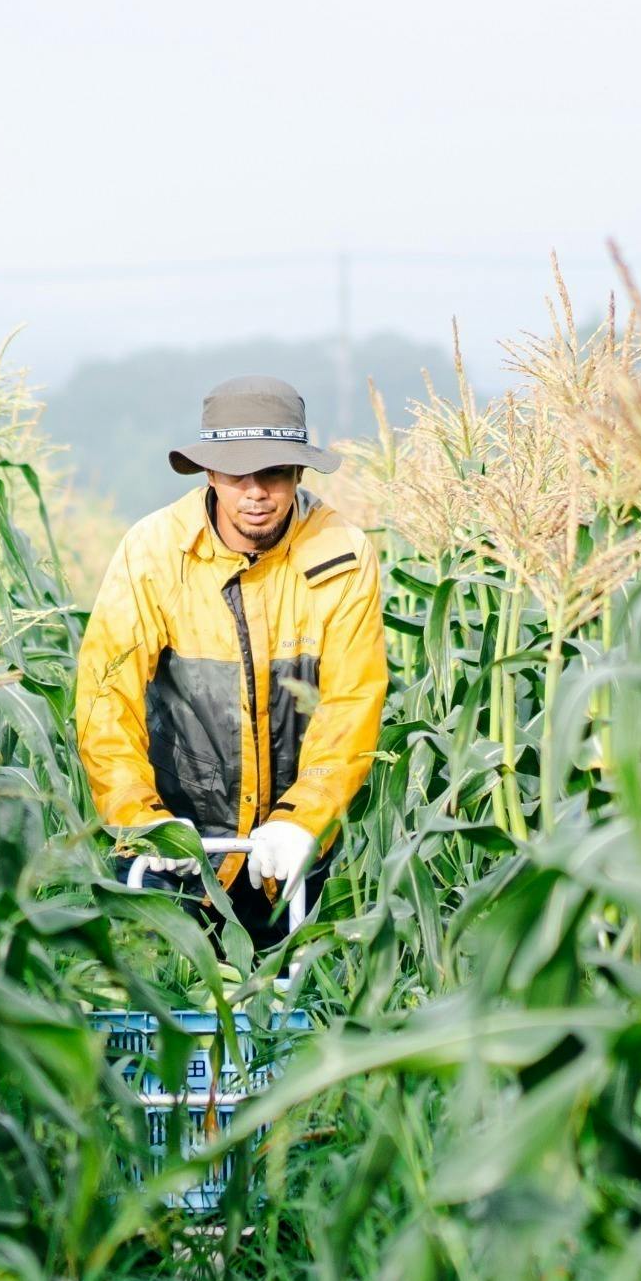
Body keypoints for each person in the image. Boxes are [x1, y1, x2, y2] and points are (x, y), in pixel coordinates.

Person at [73, 375, 388, 948]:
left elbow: (350, 705)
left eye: (272, 472)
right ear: (210, 473)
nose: (255, 492)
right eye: (237, 474)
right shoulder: (152, 552)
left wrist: (303, 821)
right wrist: (144, 823)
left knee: (297, 1012)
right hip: (177, 853)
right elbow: (104, 703)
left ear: (298, 473)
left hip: (289, 861)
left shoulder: (342, 554)